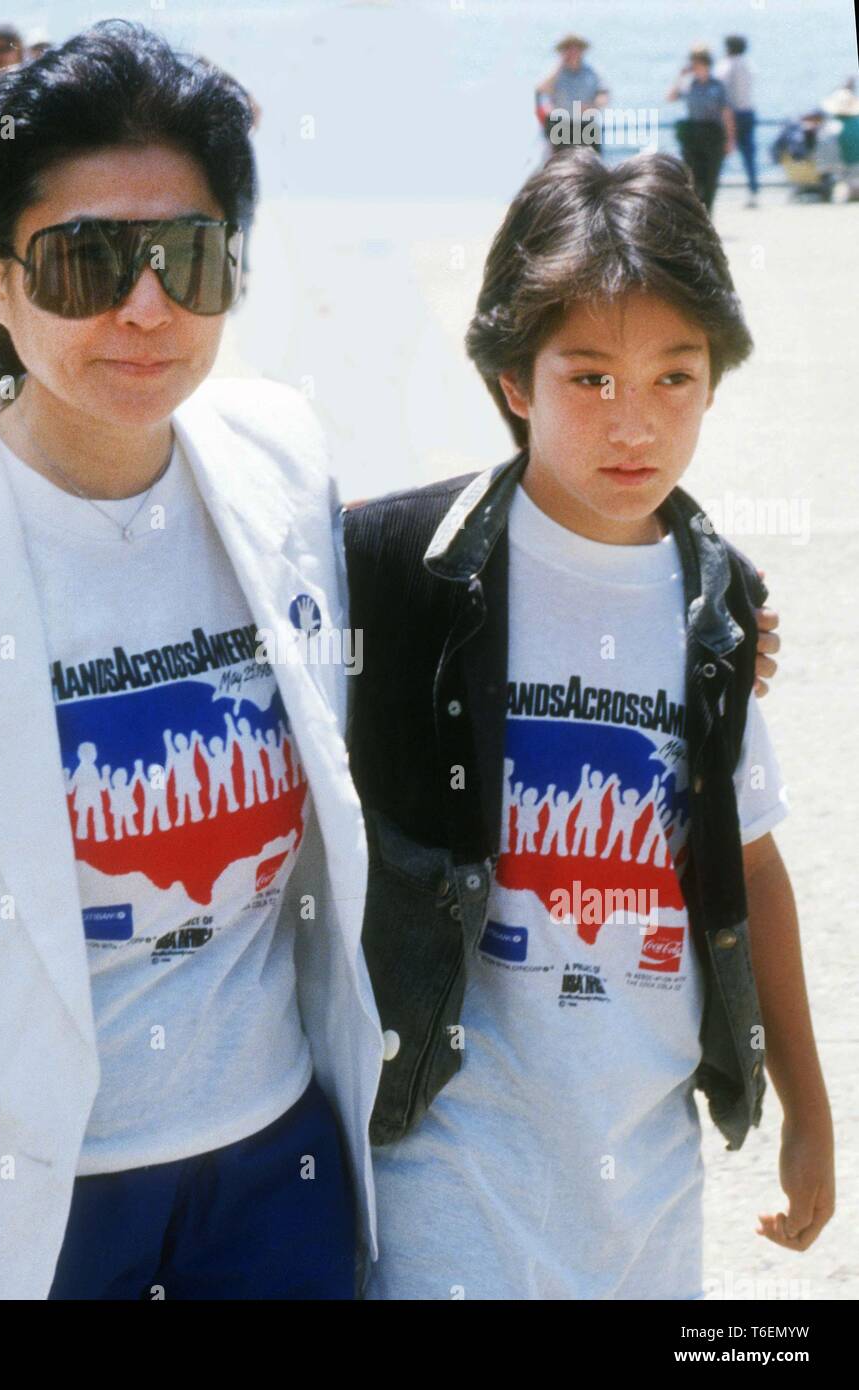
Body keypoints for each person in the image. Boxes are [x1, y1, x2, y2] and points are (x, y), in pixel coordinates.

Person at [0, 21, 383, 1301]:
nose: (145, 307)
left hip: (279, 1174)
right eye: (87, 260)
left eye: (187, 256)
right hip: (40, 1208)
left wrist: (703, 604)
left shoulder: (278, 457)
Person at [343, 150, 829, 1299]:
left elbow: (752, 863)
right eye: (590, 377)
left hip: (643, 1160)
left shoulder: (714, 603)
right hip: (446, 1153)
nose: (634, 421)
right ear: (515, 378)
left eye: (674, 376)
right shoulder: (401, 568)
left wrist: (807, 1107)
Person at [668, 44, 736, 215]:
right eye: (693, 63)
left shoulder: (718, 86)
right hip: (693, 135)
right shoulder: (689, 85)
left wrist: (730, 140)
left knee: (711, 179)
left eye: (698, 63)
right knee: (692, 180)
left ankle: (708, 216)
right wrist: (680, 77)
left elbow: (727, 113)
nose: (695, 67)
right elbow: (671, 97)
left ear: (706, 64)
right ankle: (696, 216)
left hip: (713, 135)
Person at [535, 33, 609, 154]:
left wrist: (593, 105)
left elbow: (604, 94)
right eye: (568, 49)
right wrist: (560, 66)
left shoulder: (592, 72)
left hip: (586, 125)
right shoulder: (554, 73)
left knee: (592, 161)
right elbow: (542, 90)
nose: (573, 52)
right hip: (561, 126)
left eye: (576, 49)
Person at [716, 35, 759, 207]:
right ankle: (753, 191)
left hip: (731, 114)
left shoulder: (726, 65)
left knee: (720, 154)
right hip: (748, 111)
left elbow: (721, 91)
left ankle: (711, 190)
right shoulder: (749, 65)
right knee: (749, 155)